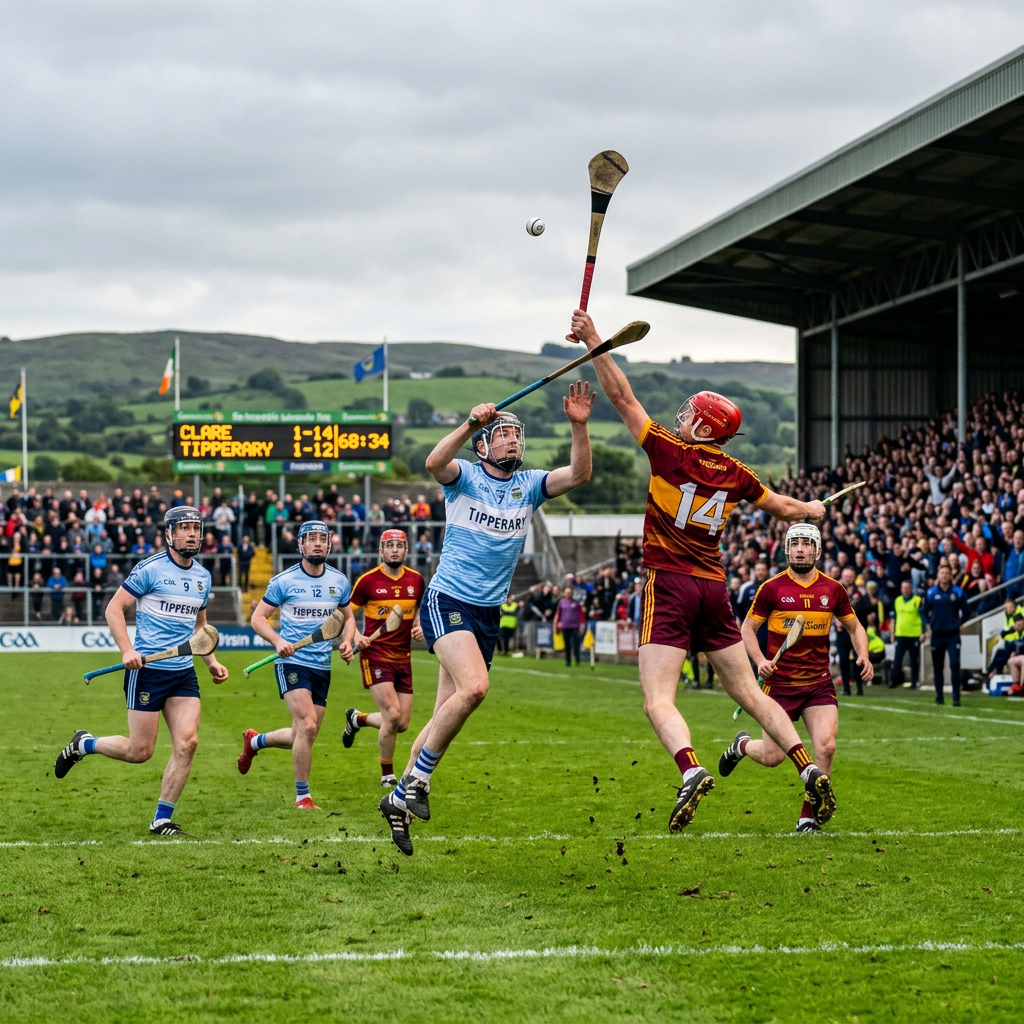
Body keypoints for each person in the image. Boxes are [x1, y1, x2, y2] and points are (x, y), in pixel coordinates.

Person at [570, 308, 835, 832]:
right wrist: (810, 511)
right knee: (751, 694)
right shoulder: (737, 473)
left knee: (658, 699)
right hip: (714, 589)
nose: (680, 417)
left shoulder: (668, 451)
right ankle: (806, 768)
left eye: (689, 414)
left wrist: (594, 339)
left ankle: (690, 769)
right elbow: (782, 507)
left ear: (700, 425)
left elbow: (622, 397)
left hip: (667, 585)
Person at [378, 381, 595, 856]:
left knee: (441, 718)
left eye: (517, 435)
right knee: (475, 689)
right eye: (503, 435)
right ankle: (415, 783)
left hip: (487, 613)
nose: (513, 440)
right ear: (483, 445)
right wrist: (469, 422)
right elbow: (433, 463)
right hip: (448, 598)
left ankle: (397, 800)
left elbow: (579, 474)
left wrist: (579, 426)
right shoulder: (465, 477)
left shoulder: (530, 485)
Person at [53, 507, 228, 836]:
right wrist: (128, 650)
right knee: (140, 751)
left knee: (187, 743)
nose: (191, 534)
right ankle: (84, 744)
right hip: (147, 671)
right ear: (168, 534)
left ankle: (161, 819)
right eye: (184, 528)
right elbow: (113, 608)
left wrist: (211, 661)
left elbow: (201, 630)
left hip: (182, 673)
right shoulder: (149, 570)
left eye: (196, 528)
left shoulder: (203, 577)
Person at [718, 524, 871, 832]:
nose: (801, 548)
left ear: (818, 551)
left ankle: (807, 818)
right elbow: (747, 629)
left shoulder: (832, 590)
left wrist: (863, 655)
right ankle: (742, 745)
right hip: (780, 687)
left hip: (818, 684)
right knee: (773, 756)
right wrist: (760, 660)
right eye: (795, 543)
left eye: (807, 543)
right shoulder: (771, 589)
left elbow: (855, 628)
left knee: (826, 747)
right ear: (787, 550)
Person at [239, 521, 355, 809]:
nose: (317, 543)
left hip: (322, 665)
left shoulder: (339, 581)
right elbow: (257, 618)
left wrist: (348, 641)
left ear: (329, 544)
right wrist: (278, 641)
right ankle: (303, 796)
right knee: (307, 725)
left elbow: (348, 618)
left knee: (304, 733)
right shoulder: (284, 580)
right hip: (292, 662)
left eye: (322, 539)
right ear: (300, 545)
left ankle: (255, 742)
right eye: (311, 539)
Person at [342, 530, 425, 786]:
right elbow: (345, 615)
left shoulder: (417, 580)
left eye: (399, 545)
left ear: (406, 550)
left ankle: (357, 719)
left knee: (402, 723)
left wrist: (421, 626)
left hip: (404, 656)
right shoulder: (367, 581)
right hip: (375, 654)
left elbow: (419, 609)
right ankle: (387, 775)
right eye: (389, 545)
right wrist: (355, 637)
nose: (395, 550)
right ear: (381, 550)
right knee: (391, 715)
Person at [922, 563, 966, 706]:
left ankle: (956, 698)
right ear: (938, 575)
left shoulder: (958, 592)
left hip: (953, 635)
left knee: (954, 664)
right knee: (938, 667)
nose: (944, 575)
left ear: (951, 575)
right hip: (937, 634)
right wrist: (928, 624)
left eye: (947, 573)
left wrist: (961, 623)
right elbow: (923, 611)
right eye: (942, 573)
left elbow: (967, 610)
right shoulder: (931, 593)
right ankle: (939, 697)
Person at [891, 579, 923, 689]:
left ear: (911, 588)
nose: (905, 590)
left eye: (907, 588)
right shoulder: (897, 600)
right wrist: (892, 634)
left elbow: (923, 617)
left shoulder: (917, 600)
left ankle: (914, 682)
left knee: (914, 660)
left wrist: (923, 632)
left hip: (914, 634)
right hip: (900, 633)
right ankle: (894, 680)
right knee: (897, 659)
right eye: (903, 588)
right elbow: (893, 618)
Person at [553, 584, 585, 666]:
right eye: (567, 593)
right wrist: (557, 624)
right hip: (565, 626)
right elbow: (558, 614)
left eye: (570, 593)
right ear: (564, 593)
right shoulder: (562, 603)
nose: (568, 594)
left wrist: (582, 624)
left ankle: (577, 659)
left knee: (575, 644)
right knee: (567, 645)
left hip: (575, 626)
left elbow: (581, 615)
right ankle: (568, 661)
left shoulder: (576, 603)